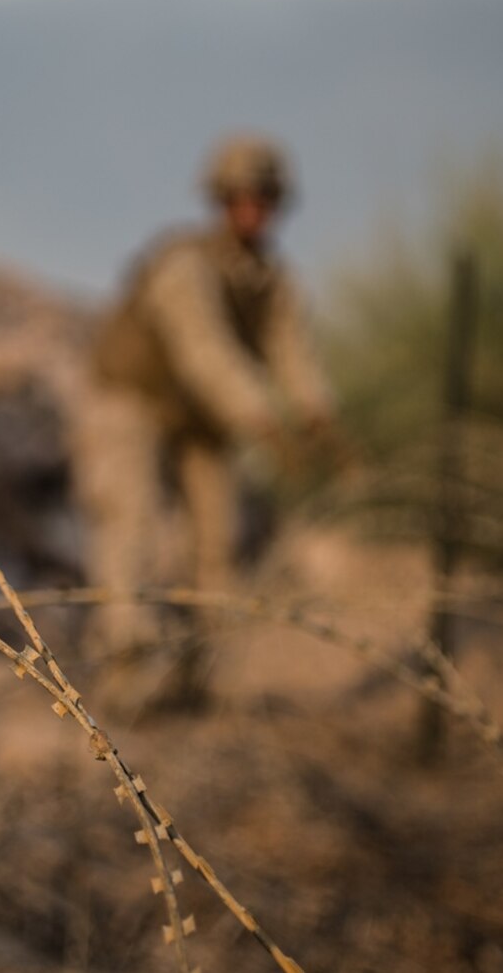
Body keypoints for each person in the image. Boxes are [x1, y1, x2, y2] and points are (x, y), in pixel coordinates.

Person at [72, 133, 339, 707]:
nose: (253, 209)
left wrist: (319, 414)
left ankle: (205, 674)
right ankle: (126, 672)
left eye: (264, 197)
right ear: (220, 200)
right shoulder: (184, 265)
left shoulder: (270, 281)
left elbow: (293, 348)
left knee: (220, 542)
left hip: (201, 417)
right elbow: (204, 350)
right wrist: (261, 417)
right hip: (129, 398)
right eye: (241, 196)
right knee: (131, 531)